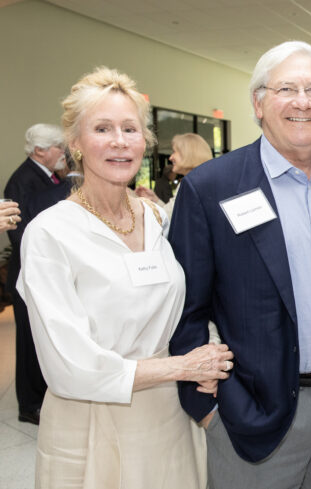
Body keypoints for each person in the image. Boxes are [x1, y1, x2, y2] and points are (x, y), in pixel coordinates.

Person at [167, 41, 311, 489]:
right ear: (259, 104)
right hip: (251, 409)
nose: (302, 101)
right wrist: (209, 409)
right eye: (286, 88)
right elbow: (184, 309)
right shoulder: (211, 187)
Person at [17, 66, 234, 489]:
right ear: (76, 143)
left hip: (170, 417)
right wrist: (183, 366)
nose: (119, 141)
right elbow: (69, 366)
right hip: (94, 420)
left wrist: (204, 356)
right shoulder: (50, 233)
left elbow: (185, 304)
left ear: (144, 141)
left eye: (130, 129)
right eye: (102, 128)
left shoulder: (154, 217)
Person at [4, 122, 65, 425]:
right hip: (28, 272)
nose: (62, 153)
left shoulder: (48, 177)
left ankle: (44, 396)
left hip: (42, 270)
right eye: (58, 147)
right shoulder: (23, 180)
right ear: (40, 151)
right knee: (29, 340)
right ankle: (29, 405)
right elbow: (19, 232)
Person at [136, 133, 213, 217]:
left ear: (187, 154)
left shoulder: (191, 185)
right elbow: (172, 213)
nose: (170, 157)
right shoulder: (202, 181)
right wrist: (154, 199)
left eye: (174, 152)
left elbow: (167, 218)